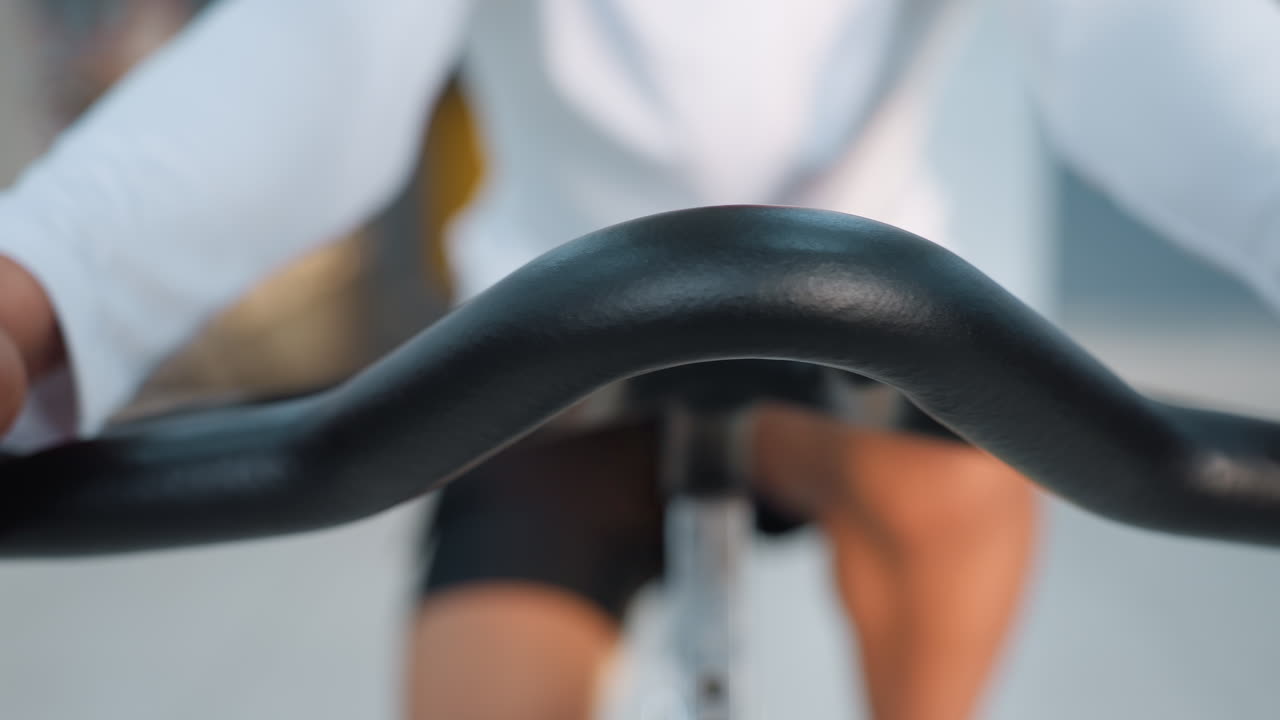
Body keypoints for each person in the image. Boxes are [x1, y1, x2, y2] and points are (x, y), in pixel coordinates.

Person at [0, 2, 1274, 719]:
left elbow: (1160, 45)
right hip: (551, 350)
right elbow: (309, 64)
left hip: (899, 330)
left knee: (957, 495)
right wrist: (35, 281)